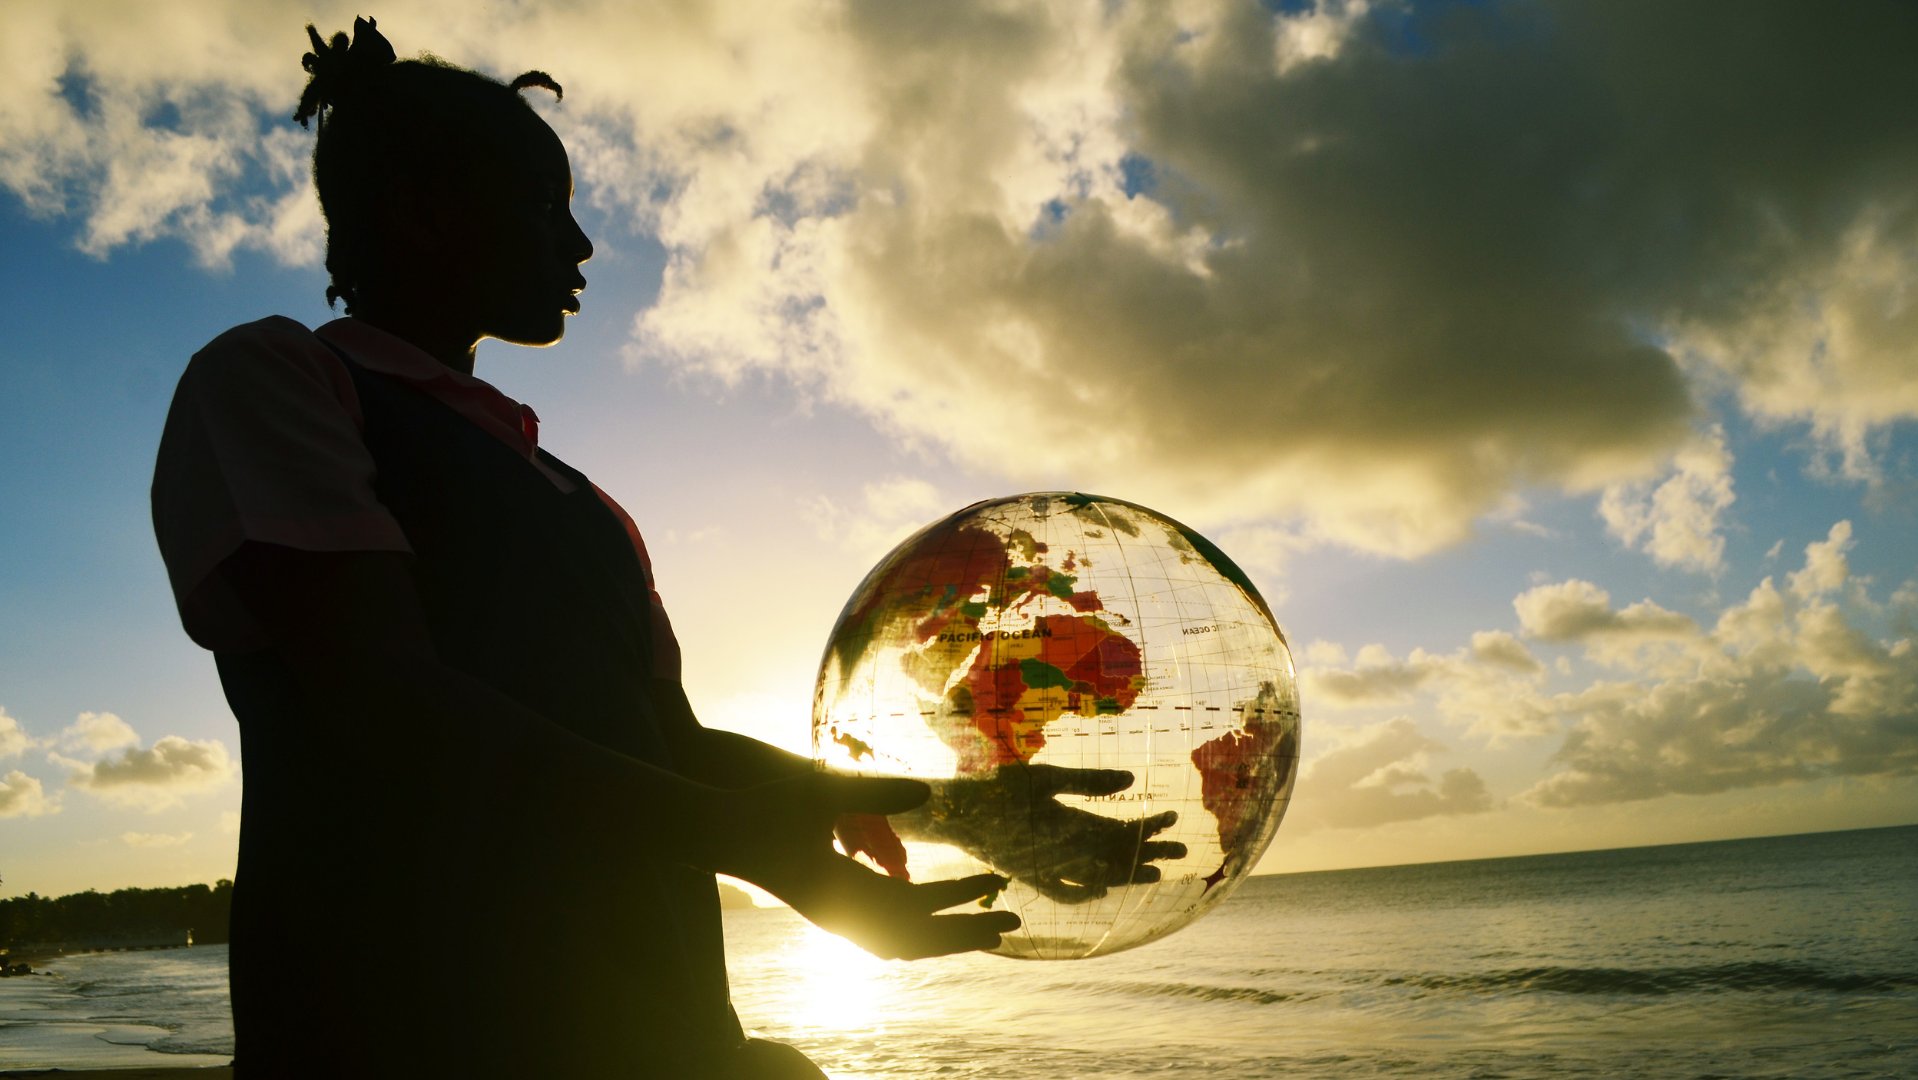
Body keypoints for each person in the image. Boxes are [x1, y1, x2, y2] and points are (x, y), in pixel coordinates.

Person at [152, 17, 1172, 1078]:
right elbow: (388, 708)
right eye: (547, 206)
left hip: (658, 1039)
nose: (583, 245)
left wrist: (953, 808)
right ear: (421, 210)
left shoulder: (578, 501)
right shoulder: (276, 380)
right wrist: (771, 855)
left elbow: (664, 743)